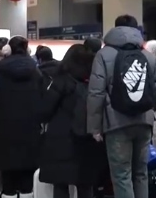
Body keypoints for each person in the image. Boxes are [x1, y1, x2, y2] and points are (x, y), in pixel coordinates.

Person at [86, 14, 156, 198]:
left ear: (115, 29)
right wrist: (148, 109)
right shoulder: (147, 55)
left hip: (116, 123)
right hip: (143, 122)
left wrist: (95, 127)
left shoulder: (103, 55)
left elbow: (96, 92)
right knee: (141, 173)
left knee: (122, 175)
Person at [0, 36, 42, 198]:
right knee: (27, 178)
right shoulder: (36, 73)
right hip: (30, 130)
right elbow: (44, 99)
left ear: (7, 51)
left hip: (3, 131)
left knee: (8, 178)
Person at [39, 44, 106, 198]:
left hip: (60, 138)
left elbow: (45, 110)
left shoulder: (61, 81)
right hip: (87, 137)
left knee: (60, 184)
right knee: (85, 185)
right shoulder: (94, 82)